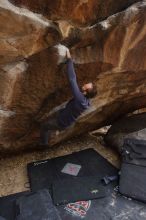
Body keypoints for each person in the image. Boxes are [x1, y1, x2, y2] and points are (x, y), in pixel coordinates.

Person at [40, 49, 97, 146]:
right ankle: (55, 130)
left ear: (85, 91)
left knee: (44, 126)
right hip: (67, 119)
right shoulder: (86, 101)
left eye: (87, 85)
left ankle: (44, 144)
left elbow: (72, 79)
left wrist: (69, 59)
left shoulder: (80, 99)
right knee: (56, 114)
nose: (86, 83)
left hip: (61, 122)